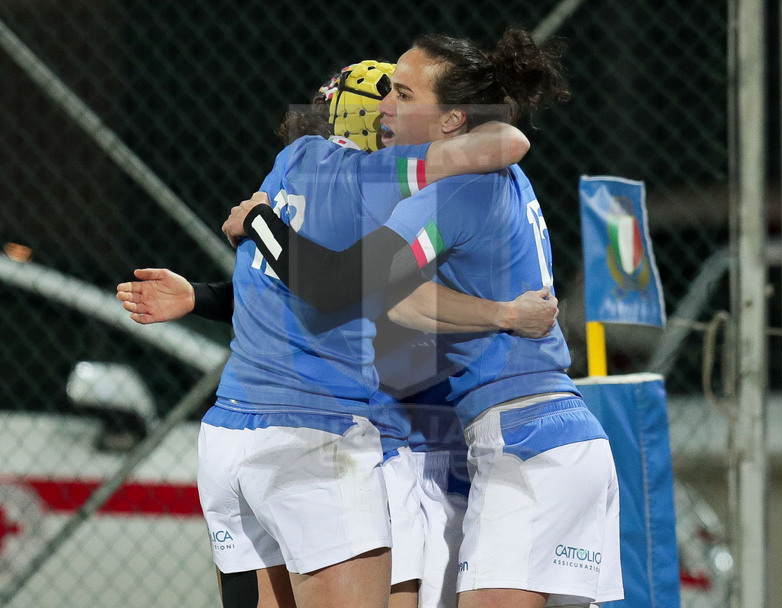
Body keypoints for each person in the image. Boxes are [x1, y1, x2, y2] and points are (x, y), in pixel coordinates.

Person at [117, 57, 557, 608]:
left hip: (229, 433)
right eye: (392, 99)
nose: (398, 111)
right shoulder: (375, 180)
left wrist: (205, 292)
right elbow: (506, 144)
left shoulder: (287, 164)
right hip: (315, 434)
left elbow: (292, 285)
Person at [223, 28, 624, 608]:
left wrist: (263, 223)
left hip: (525, 440)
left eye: (405, 95)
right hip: (548, 437)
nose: (386, 105)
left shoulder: (452, 193)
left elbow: (365, 290)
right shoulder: (494, 174)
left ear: (451, 121)